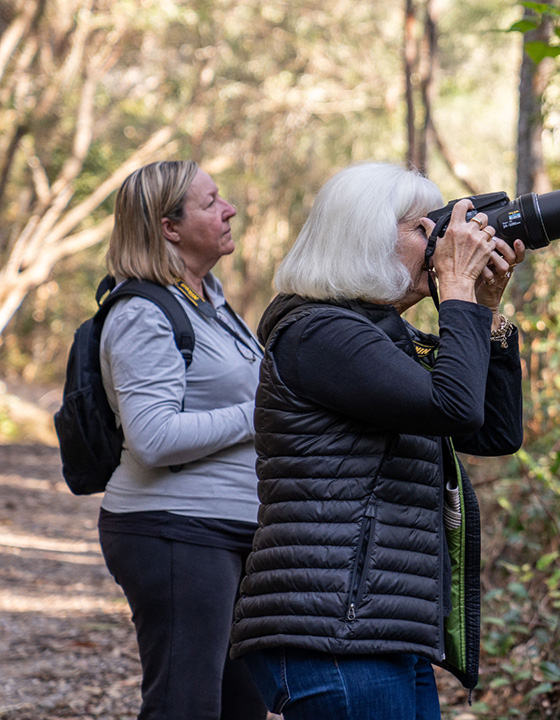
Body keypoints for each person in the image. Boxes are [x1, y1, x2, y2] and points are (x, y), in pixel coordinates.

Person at [230, 162, 525, 719]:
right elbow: (453, 406)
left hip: (379, 625)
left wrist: (485, 312)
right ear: (365, 239)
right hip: (333, 629)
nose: (441, 243)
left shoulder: (381, 338)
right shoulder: (319, 332)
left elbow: (492, 431)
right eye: (423, 228)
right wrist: (458, 293)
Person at [96, 160, 267, 719]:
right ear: (170, 227)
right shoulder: (143, 312)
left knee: (244, 708)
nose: (229, 209)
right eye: (211, 200)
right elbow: (152, 437)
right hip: (175, 531)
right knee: (184, 707)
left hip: (228, 534)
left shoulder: (210, 302)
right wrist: (258, 414)